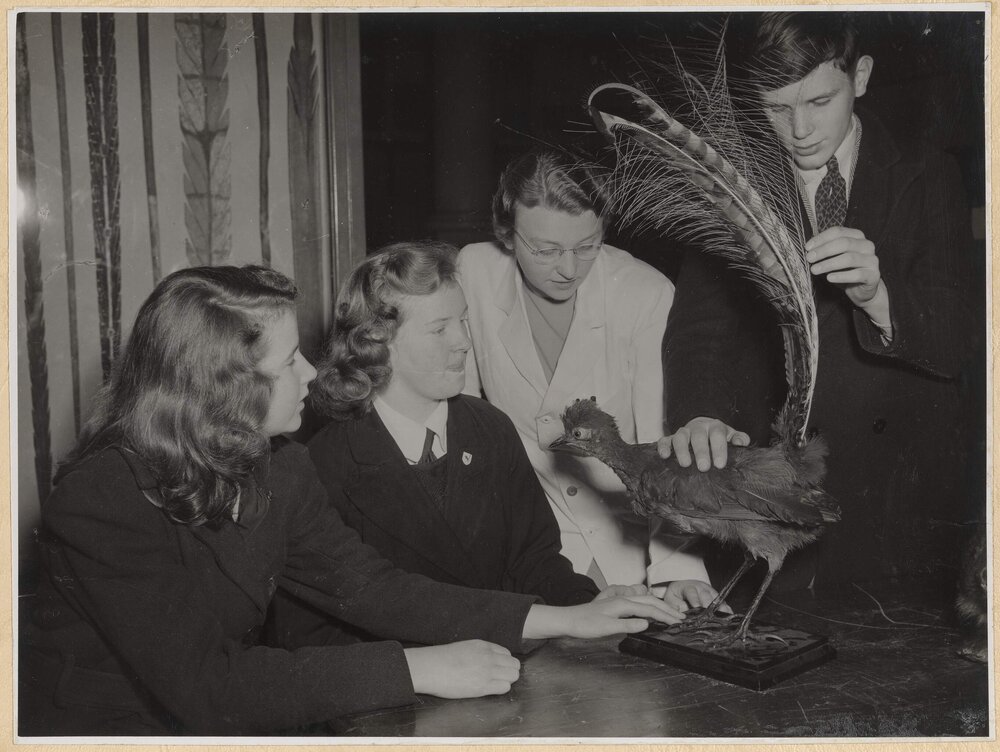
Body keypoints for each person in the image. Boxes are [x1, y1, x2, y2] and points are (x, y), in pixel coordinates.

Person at [19, 265, 685, 736]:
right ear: (224, 388)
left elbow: (371, 588)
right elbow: (209, 688)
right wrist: (413, 667)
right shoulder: (101, 499)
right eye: (288, 363)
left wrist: (565, 618)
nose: (311, 372)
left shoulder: (282, 465)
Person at [661, 12, 980, 585]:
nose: (800, 129)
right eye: (777, 108)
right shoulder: (730, 183)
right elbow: (698, 330)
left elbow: (959, 341)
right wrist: (701, 412)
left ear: (861, 76)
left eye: (820, 101)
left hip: (898, 502)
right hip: (773, 496)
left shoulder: (930, 173)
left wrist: (879, 296)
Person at [269, 242, 710, 648]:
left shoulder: (490, 428)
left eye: (463, 321)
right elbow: (315, 633)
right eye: (440, 329)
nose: (464, 342)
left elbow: (534, 561)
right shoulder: (324, 463)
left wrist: (586, 600)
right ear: (376, 344)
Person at [457, 151, 713, 595]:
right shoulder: (474, 271)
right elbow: (460, 422)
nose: (568, 269)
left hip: (622, 542)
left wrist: (678, 570)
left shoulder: (644, 293)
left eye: (587, 246)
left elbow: (663, 449)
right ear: (507, 234)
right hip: (518, 539)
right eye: (546, 250)